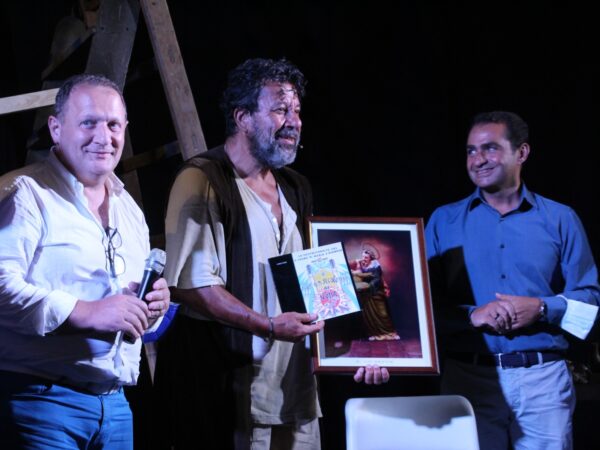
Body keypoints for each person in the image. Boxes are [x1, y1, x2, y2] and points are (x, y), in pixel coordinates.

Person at [155, 58, 388, 450]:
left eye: (296, 111)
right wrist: (267, 325)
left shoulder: (295, 187)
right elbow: (192, 286)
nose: (294, 122)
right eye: (280, 110)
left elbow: (321, 283)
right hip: (234, 396)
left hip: (296, 392)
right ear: (243, 117)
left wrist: (361, 348)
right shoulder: (202, 179)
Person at [0, 74, 171, 449]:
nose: (103, 137)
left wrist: (152, 307)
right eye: (89, 122)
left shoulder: (130, 210)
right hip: (40, 405)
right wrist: (87, 313)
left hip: (116, 407)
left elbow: (128, 313)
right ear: (56, 128)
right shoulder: (26, 193)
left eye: (113, 125)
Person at [425, 111, 600, 450]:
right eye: (471, 150)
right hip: (468, 378)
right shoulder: (444, 221)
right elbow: (422, 306)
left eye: (490, 148)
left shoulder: (561, 219)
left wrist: (542, 308)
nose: (478, 160)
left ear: (522, 152)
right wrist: (472, 315)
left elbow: (591, 300)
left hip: (544, 382)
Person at [351, 248, 400, 341]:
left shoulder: (376, 265)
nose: (364, 259)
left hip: (376, 291)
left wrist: (370, 285)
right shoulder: (362, 264)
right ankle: (373, 333)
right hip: (366, 293)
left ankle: (390, 333)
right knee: (369, 314)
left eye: (366, 257)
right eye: (363, 257)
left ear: (371, 258)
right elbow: (357, 272)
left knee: (383, 314)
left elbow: (377, 278)